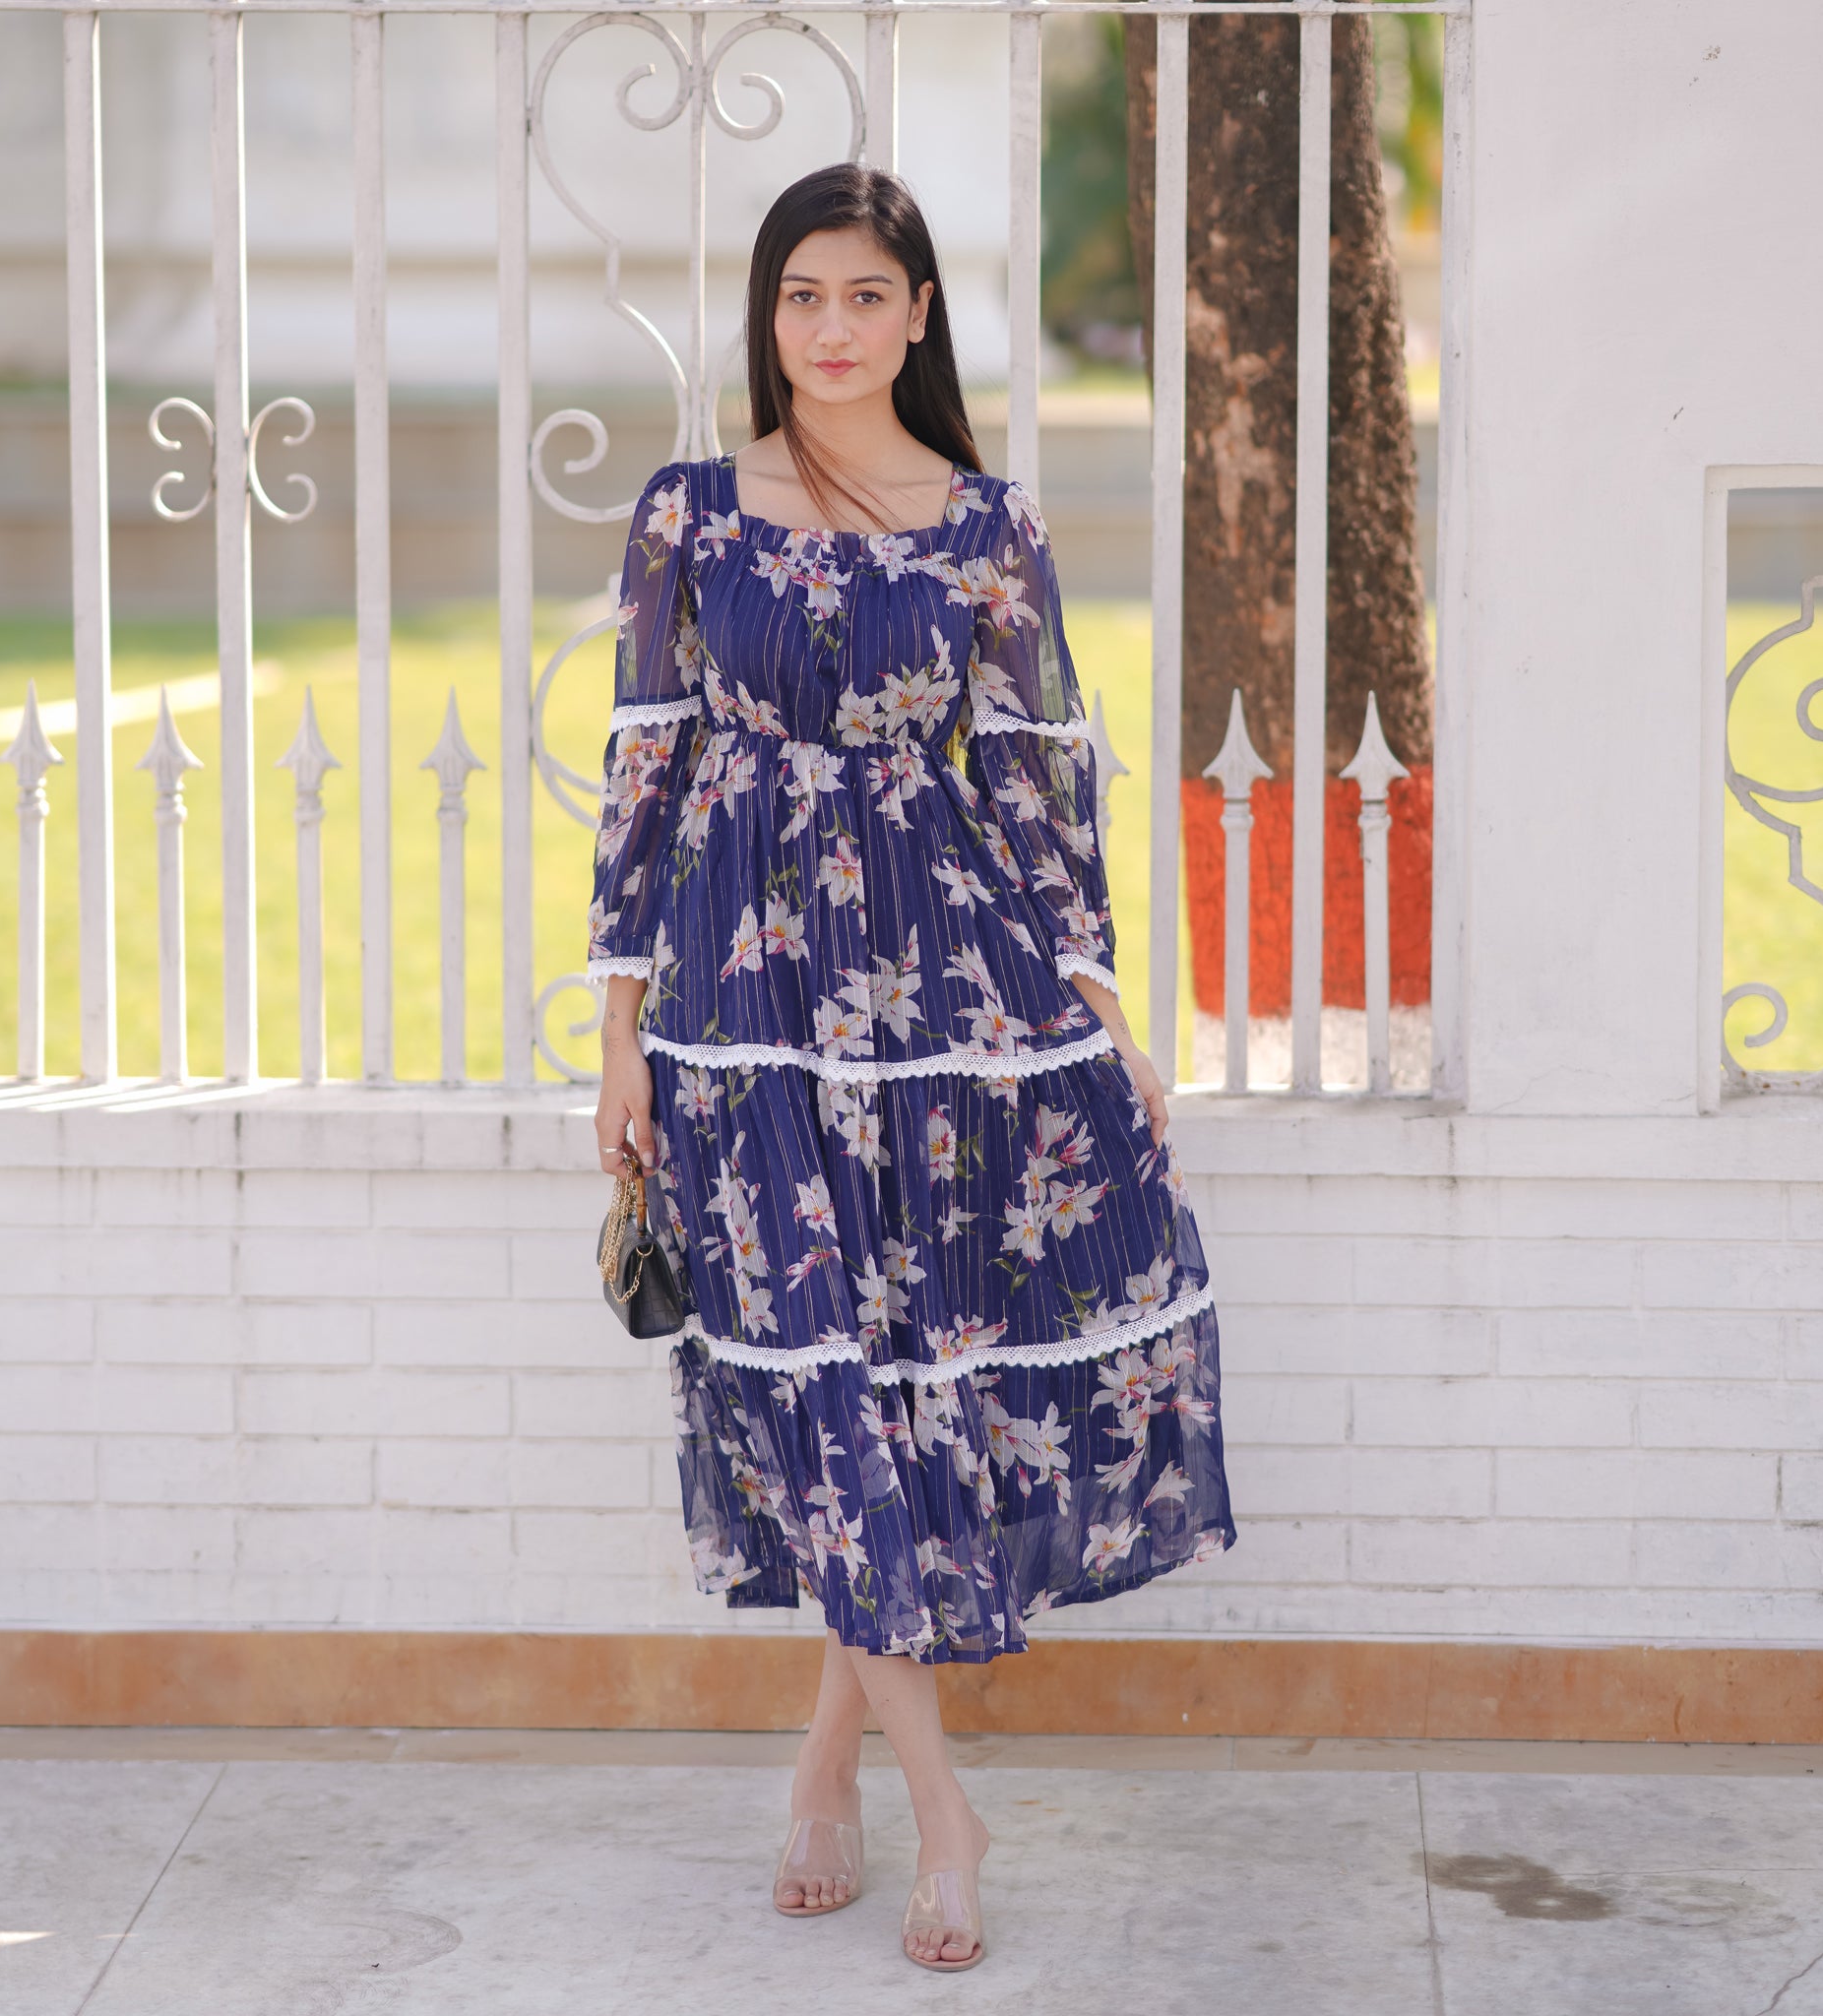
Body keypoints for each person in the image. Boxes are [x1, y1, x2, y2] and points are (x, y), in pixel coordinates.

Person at [587, 161, 1235, 1975]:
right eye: (802, 295)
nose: (832, 326)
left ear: (921, 315)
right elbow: (644, 770)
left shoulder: (987, 528)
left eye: (866, 295)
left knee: (883, 1392)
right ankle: (944, 1807)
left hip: (945, 999)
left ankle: (826, 1769)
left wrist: (1098, 1001)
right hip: (738, 1009)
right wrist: (617, 1041)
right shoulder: (691, 514)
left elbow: (1034, 771)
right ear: (767, 314)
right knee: (809, 1376)